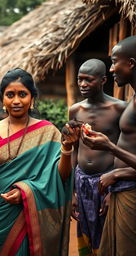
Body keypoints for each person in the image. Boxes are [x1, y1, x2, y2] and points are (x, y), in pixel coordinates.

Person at [0, 68, 79, 256]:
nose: (16, 100)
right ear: (3, 100)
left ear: (32, 99)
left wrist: (66, 148)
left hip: (36, 213)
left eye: (22, 94)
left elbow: (61, 177)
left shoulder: (48, 132)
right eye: (10, 95)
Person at [81, 36, 136, 256]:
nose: (112, 69)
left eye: (115, 62)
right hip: (122, 189)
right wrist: (117, 177)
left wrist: (110, 149)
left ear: (131, 63)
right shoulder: (133, 98)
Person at [69, 59, 127, 256]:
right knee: (85, 233)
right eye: (79, 79)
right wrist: (73, 191)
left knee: (107, 235)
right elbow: (75, 148)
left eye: (89, 80)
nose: (83, 84)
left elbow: (123, 149)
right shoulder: (75, 110)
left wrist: (115, 191)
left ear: (103, 80)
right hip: (82, 179)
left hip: (107, 182)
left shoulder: (119, 109)